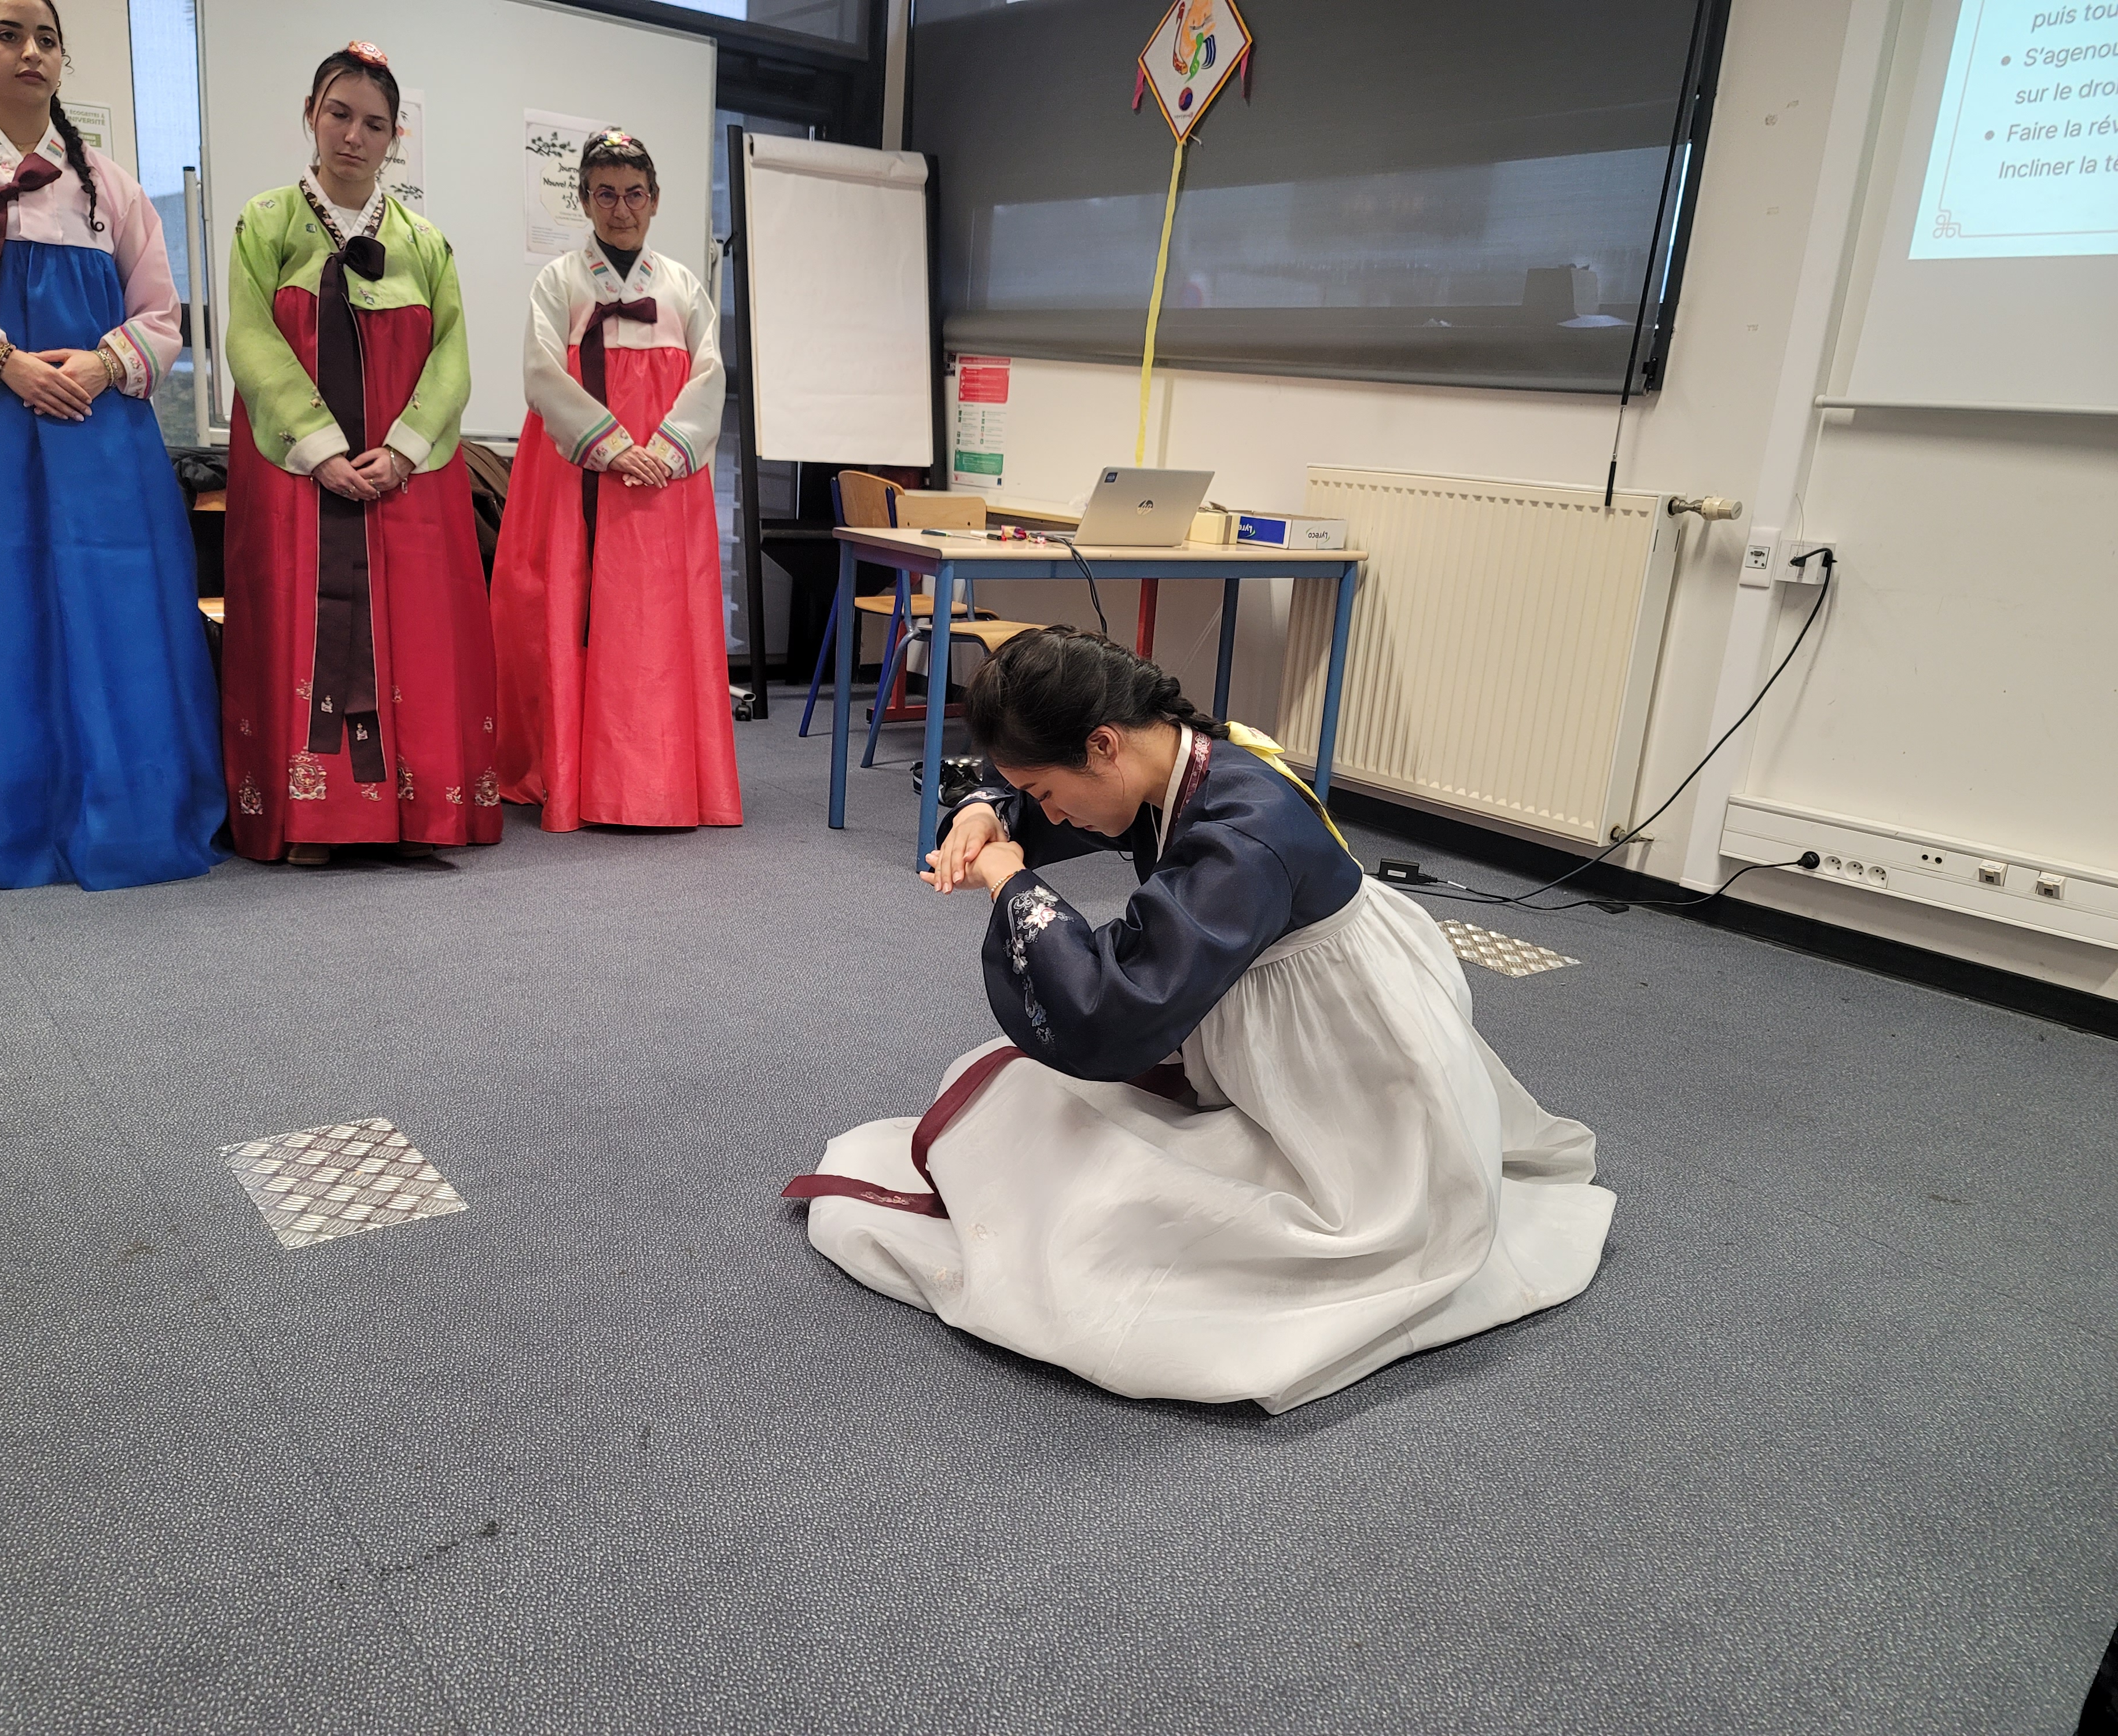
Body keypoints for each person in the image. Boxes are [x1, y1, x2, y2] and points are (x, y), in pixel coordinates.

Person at [785, 628, 1617, 1414]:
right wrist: (986, 814)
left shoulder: (1245, 831)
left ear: (1103, 744)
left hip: (1342, 1062)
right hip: (1274, 1005)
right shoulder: (1179, 759)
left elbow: (1113, 1007)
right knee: (1009, 1098)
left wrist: (1011, 881)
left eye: (1044, 792)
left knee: (1093, 1208)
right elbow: (1056, 809)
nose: (1050, 814)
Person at [0, 0, 225, 889]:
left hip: (93, 433)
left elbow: (162, 317)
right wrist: (3, 360)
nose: (31, 51)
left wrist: (103, 365)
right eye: (8, 33)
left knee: (108, 605)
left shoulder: (109, 185)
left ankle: (114, 803)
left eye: (47, 37)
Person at [221, 43, 499, 866]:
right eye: (339, 115)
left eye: (375, 124)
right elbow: (250, 340)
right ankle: (313, 816)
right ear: (311, 115)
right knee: (303, 624)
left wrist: (404, 450)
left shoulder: (426, 243)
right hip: (297, 477)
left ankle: (416, 810)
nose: (354, 136)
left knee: (416, 632)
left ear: (394, 138)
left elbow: (452, 359)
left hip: (404, 486)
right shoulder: (265, 223)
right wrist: (318, 448)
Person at [490, 128, 740, 832]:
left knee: (654, 624)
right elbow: (541, 373)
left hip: (663, 480)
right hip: (577, 474)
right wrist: (611, 448)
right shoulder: (559, 282)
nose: (621, 209)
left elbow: (710, 375)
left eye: (634, 194)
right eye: (605, 194)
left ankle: (657, 781)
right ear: (584, 200)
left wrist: (664, 449)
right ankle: (573, 777)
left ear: (654, 200)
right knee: (568, 610)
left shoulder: (683, 286)